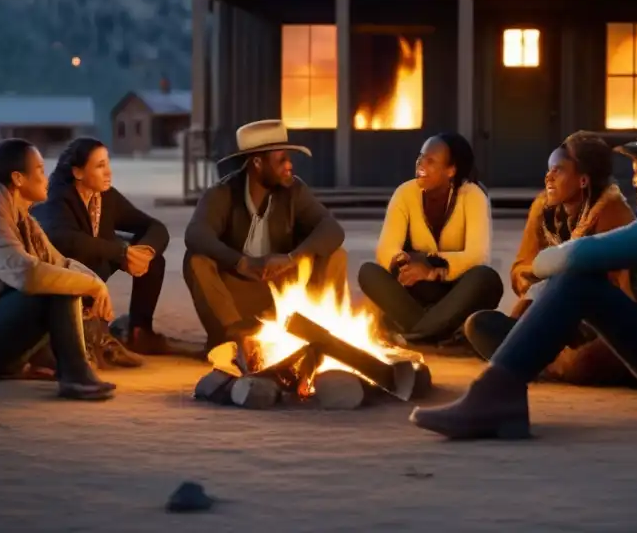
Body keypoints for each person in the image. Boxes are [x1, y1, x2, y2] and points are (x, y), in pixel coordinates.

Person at [409, 117, 637, 439]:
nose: (634, 177)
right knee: (566, 290)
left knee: (576, 281)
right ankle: (512, 376)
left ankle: (495, 397)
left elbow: (576, 255)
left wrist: (542, 271)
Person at [0, 138, 117, 401]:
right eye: (41, 170)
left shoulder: (21, 218)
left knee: (65, 281)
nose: (47, 178)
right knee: (55, 286)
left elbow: (60, 262)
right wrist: (89, 285)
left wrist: (96, 284)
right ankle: (76, 377)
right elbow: (29, 275)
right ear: (18, 178)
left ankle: (53, 364)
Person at [464, 131, 637, 385]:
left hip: (591, 326)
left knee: (585, 363)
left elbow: (626, 292)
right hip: (544, 314)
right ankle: (537, 357)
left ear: (583, 181)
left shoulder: (614, 214)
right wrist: (539, 275)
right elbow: (520, 268)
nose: (549, 176)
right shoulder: (542, 208)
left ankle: (541, 361)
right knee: (478, 325)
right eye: (549, 169)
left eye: (559, 170)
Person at [183, 120, 348, 351]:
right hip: (240, 294)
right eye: (281, 160)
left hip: (283, 290)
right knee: (196, 261)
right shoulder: (223, 193)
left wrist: (292, 257)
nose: (290, 165)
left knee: (336, 255)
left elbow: (332, 229)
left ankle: (320, 335)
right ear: (257, 163)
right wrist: (240, 262)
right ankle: (237, 342)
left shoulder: (294, 191)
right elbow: (195, 234)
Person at [357, 132, 502, 346]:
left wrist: (432, 268)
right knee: (368, 272)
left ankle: (417, 333)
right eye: (420, 157)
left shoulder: (472, 195)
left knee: (486, 278)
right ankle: (440, 331)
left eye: (430, 160)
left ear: (451, 170)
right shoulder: (405, 193)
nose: (421, 163)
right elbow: (386, 248)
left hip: (458, 290)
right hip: (418, 289)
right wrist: (404, 264)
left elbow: (477, 255)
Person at [33, 137, 171, 360]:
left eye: (107, 163)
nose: (108, 173)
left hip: (95, 263)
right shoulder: (57, 198)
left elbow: (154, 226)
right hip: (61, 278)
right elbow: (64, 239)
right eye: (100, 166)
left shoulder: (105, 197)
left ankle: (139, 331)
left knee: (152, 260)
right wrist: (121, 252)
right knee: (100, 248)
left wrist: (144, 253)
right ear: (78, 173)